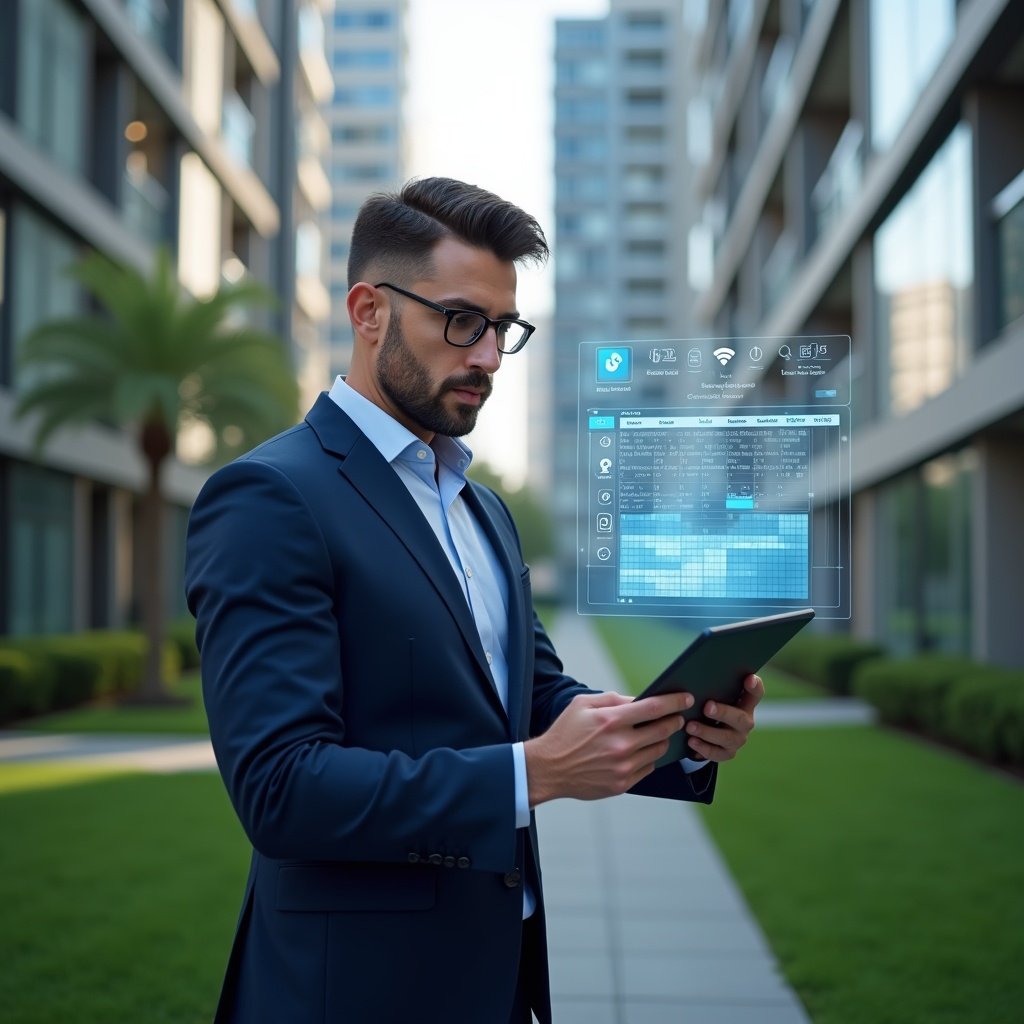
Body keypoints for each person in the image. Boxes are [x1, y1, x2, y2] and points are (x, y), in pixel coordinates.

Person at [185, 177, 763, 1024]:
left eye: (503, 328)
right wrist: (532, 774)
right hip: (351, 992)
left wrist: (677, 732)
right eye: (461, 321)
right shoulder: (271, 496)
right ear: (367, 309)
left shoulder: (481, 506)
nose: (489, 357)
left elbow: (528, 695)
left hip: (500, 976)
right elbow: (281, 788)